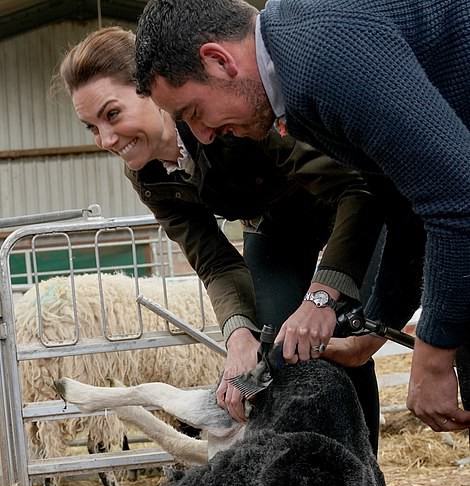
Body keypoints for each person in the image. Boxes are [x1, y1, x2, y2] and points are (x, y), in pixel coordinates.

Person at [134, 0, 470, 435]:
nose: (202, 135)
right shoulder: (295, 84)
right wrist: (371, 333)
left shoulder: (321, 59)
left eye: (194, 113)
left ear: (219, 60)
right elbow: (403, 207)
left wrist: (434, 351)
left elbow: (457, 199)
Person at [58, 26, 390, 450]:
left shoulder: (223, 114)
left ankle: (362, 475)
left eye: (112, 114)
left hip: (349, 204)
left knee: (336, 332)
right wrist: (238, 338)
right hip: (274, 226)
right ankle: (306, 474)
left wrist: (320, 298)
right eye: (91, 127)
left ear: (149, 90)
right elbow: (214, 260)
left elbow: (350, 187)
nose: (105, 140)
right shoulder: (147, 174)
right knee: (279, 348)